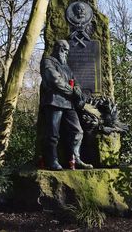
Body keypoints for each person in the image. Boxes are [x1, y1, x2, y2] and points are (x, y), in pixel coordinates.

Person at [40, 39, 93, 170]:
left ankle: (75, 159)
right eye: (64, 50)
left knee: (78, 131)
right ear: (58, 48)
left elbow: (75, 81)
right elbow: (55, 80)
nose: (66, 53)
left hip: (69, 104)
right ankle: (52, 161)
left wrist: (78, 91)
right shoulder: (48, 61)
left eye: (67, 51)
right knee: (53, 134)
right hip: (54, 101)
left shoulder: (66, 66)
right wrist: (72, 91)